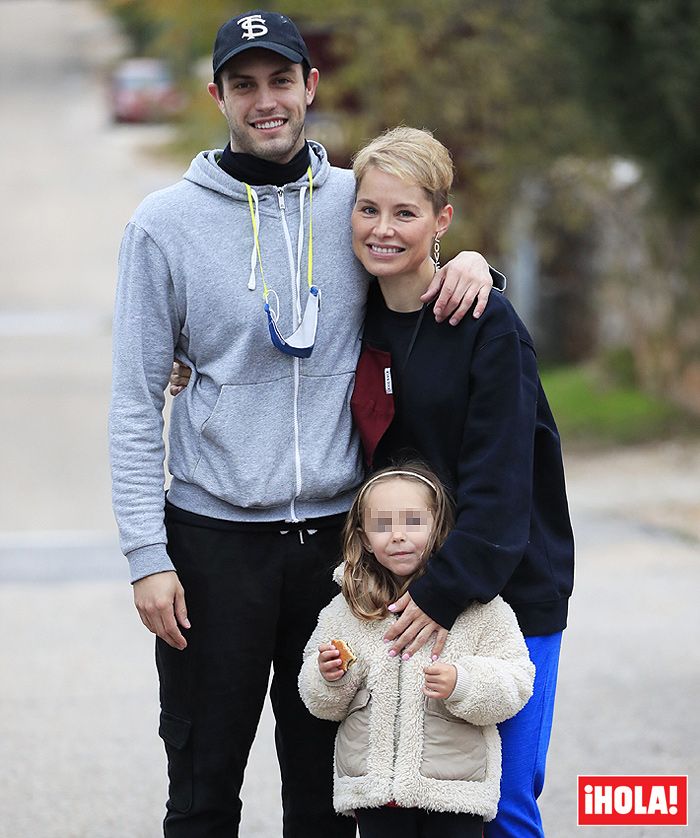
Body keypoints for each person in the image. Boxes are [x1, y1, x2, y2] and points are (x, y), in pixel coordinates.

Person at [109, 10, 501, 838]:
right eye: (243, 85)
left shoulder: (353, 202)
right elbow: (136, 402)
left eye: (280, 80)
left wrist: (475, 264)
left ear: (309, 86)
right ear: (216, 95)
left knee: (325, 800)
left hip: (337, 548)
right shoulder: (163, 225)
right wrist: (148, 555)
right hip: (212, 546)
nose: (266, 101)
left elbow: (417, 245)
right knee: (203, 787)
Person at [347, 126, 575, 838]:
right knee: (408, 799)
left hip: (504, 590)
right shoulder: (350, 318)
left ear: (442, 220)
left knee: (502, 801)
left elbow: (504, 485)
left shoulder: (486, 321)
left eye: (405, 212)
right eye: (368, 209)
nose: (383, 229)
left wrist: (443, 593)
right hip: (401, 594)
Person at [298, 464, 535, 838]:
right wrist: (329, 676)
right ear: (362, 537)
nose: (397, 536)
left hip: (454, 794)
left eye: (412, 521)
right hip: (374, 793)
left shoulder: (477, 607)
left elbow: (516, 682)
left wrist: (462, 682)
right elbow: (320, 703)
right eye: (382, 525)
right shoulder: (348, 608)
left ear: (439, 526)